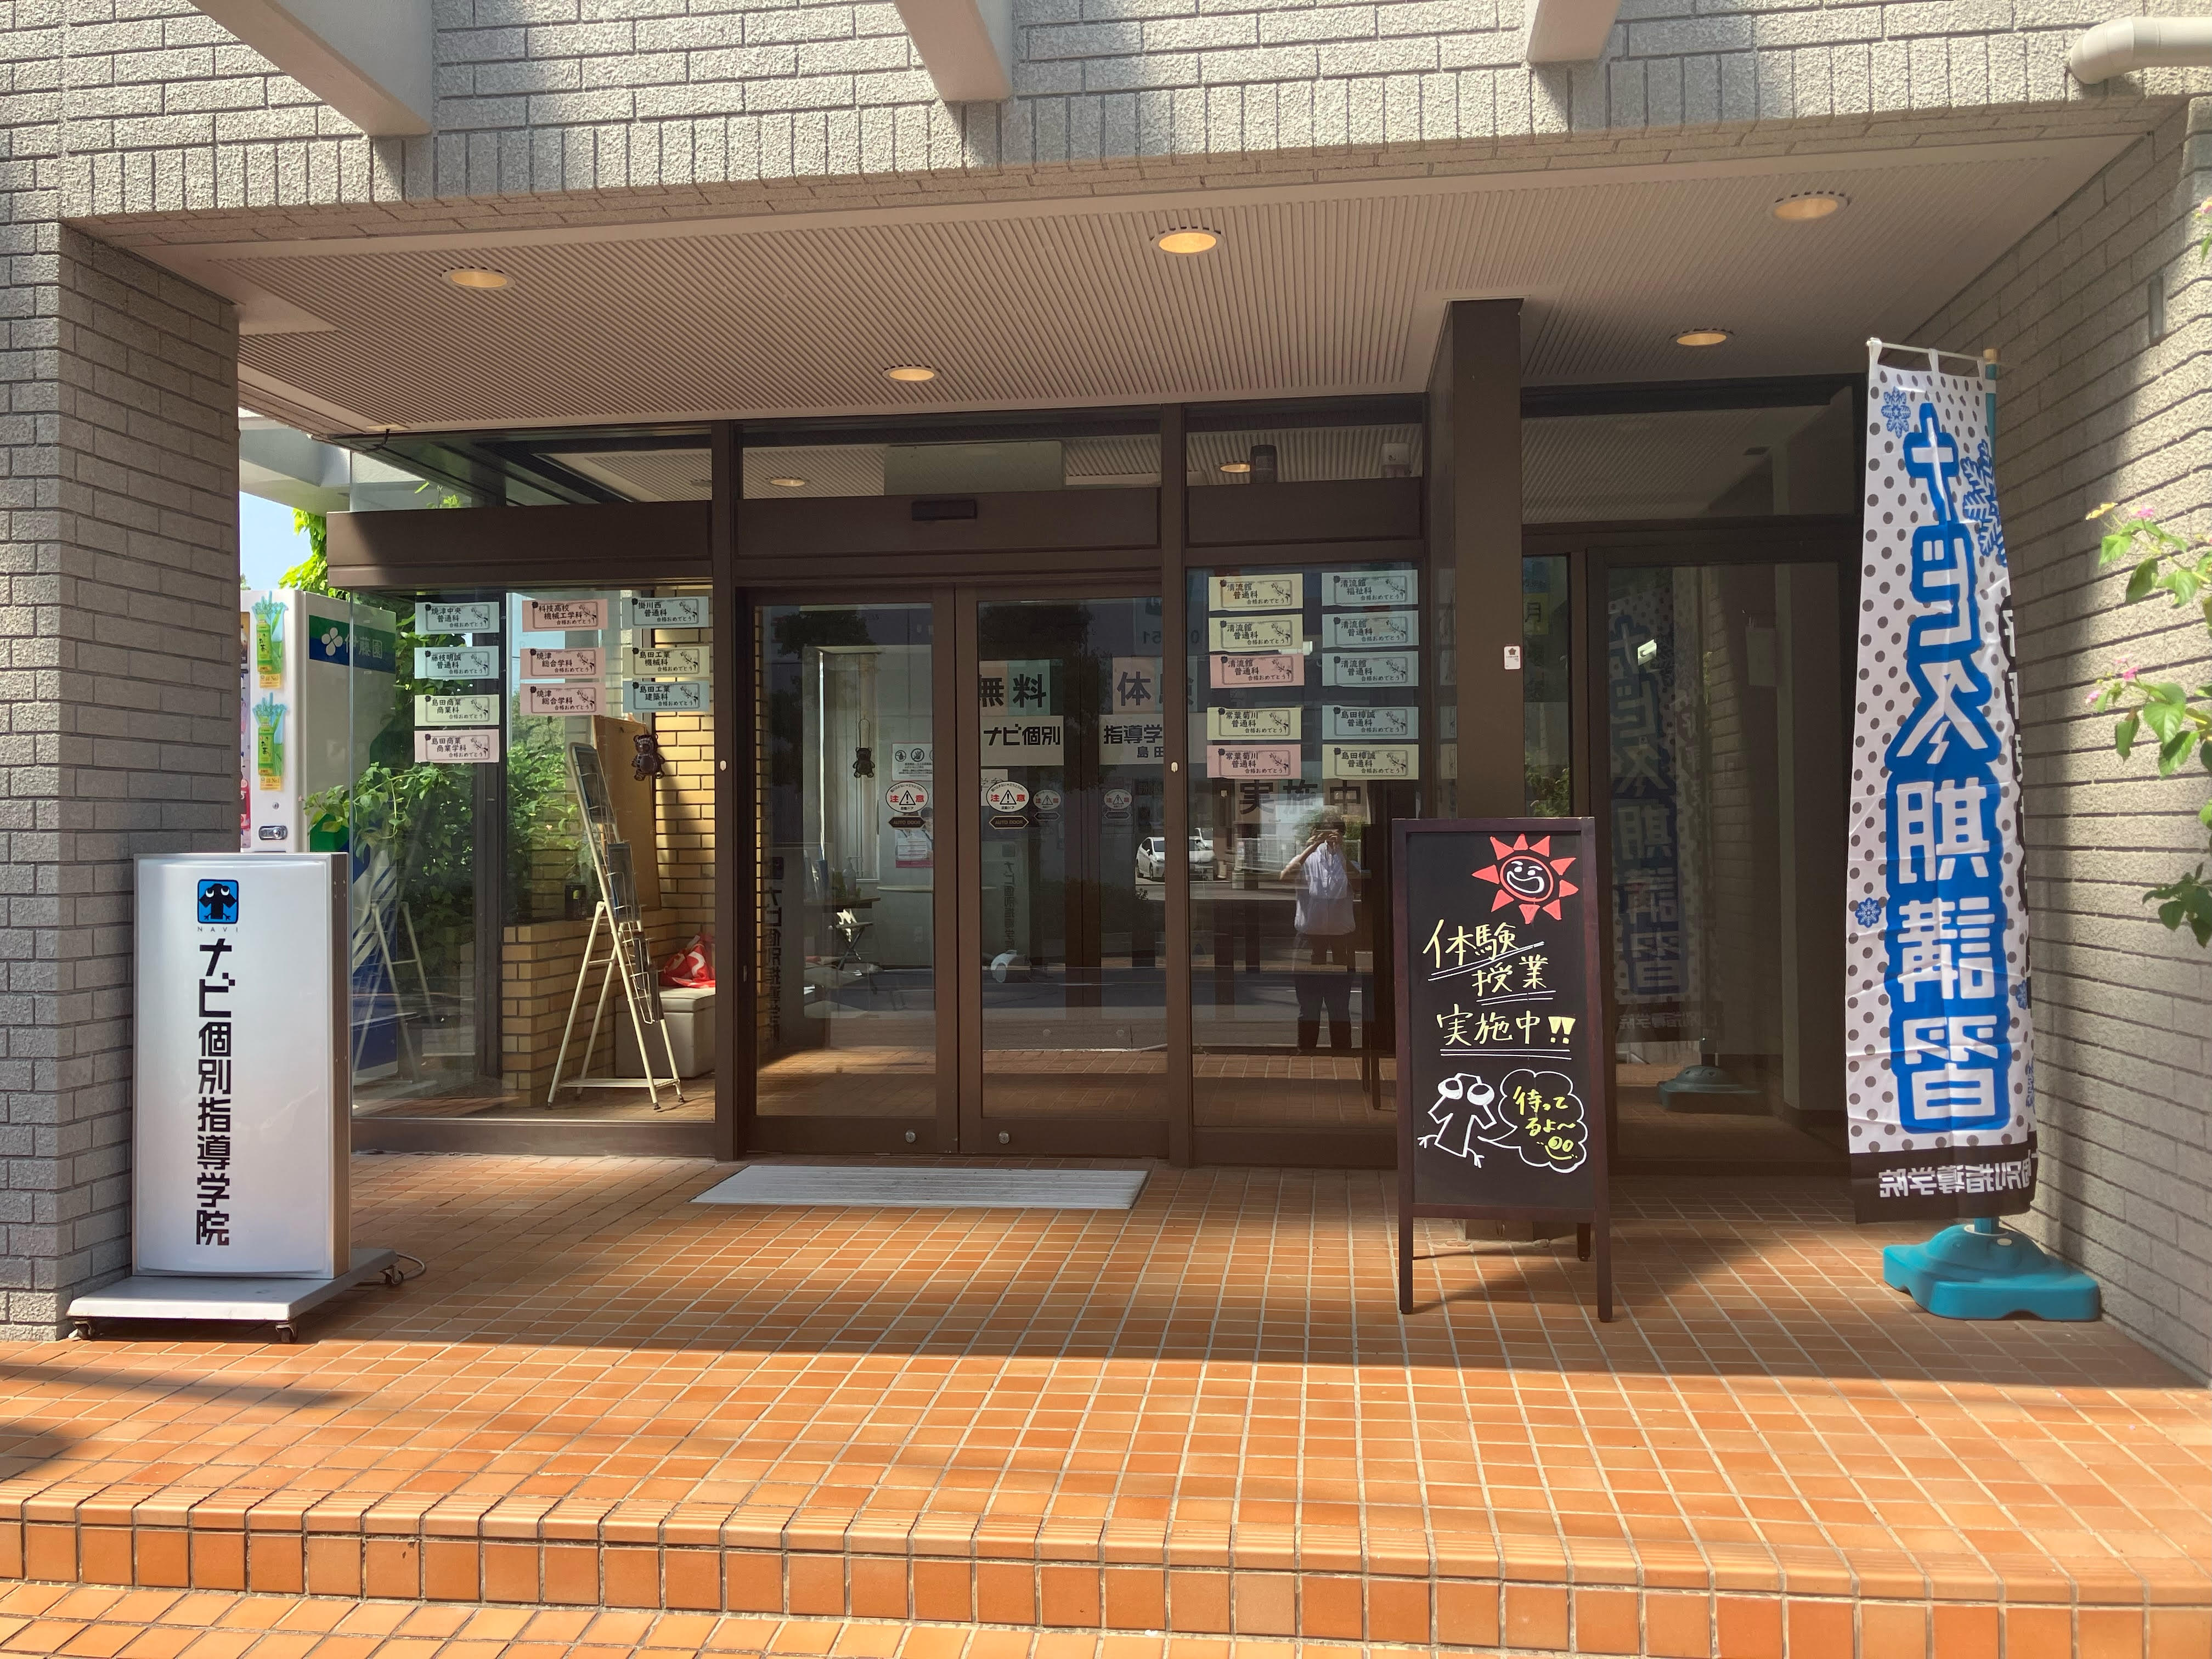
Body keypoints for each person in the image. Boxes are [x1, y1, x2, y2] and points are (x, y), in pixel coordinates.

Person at [1280, 811, 1360, 1052]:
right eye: (1324, 833)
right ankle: (1306, 1052)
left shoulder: (1348, 863)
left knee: (1339, 1005)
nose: (1329, 839)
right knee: (1309, 1004)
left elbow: (1360, 885)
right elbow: (1285, 877)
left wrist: (1342, 852)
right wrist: (1311, 847)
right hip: (1309, 939)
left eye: (1334, 833)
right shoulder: (1305, 861)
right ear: (1315, 833)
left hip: (1341, 941)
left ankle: (1342, 1054)